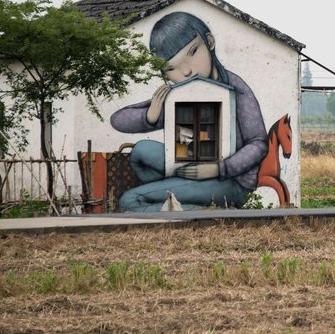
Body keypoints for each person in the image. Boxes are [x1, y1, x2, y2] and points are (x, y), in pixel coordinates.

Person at [110, 12, 268, 211]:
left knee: (130, 201)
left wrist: (218, 169)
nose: (186, 72)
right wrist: (150, 116)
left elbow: (258, 144)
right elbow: (118, 119)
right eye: (170, 69)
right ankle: (181, 195)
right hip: (188, 160)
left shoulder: (236, 89)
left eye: (192, 52)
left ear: (209, 41)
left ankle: (206, 211)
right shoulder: (180, 93)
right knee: (140, 151)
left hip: (231, 180)